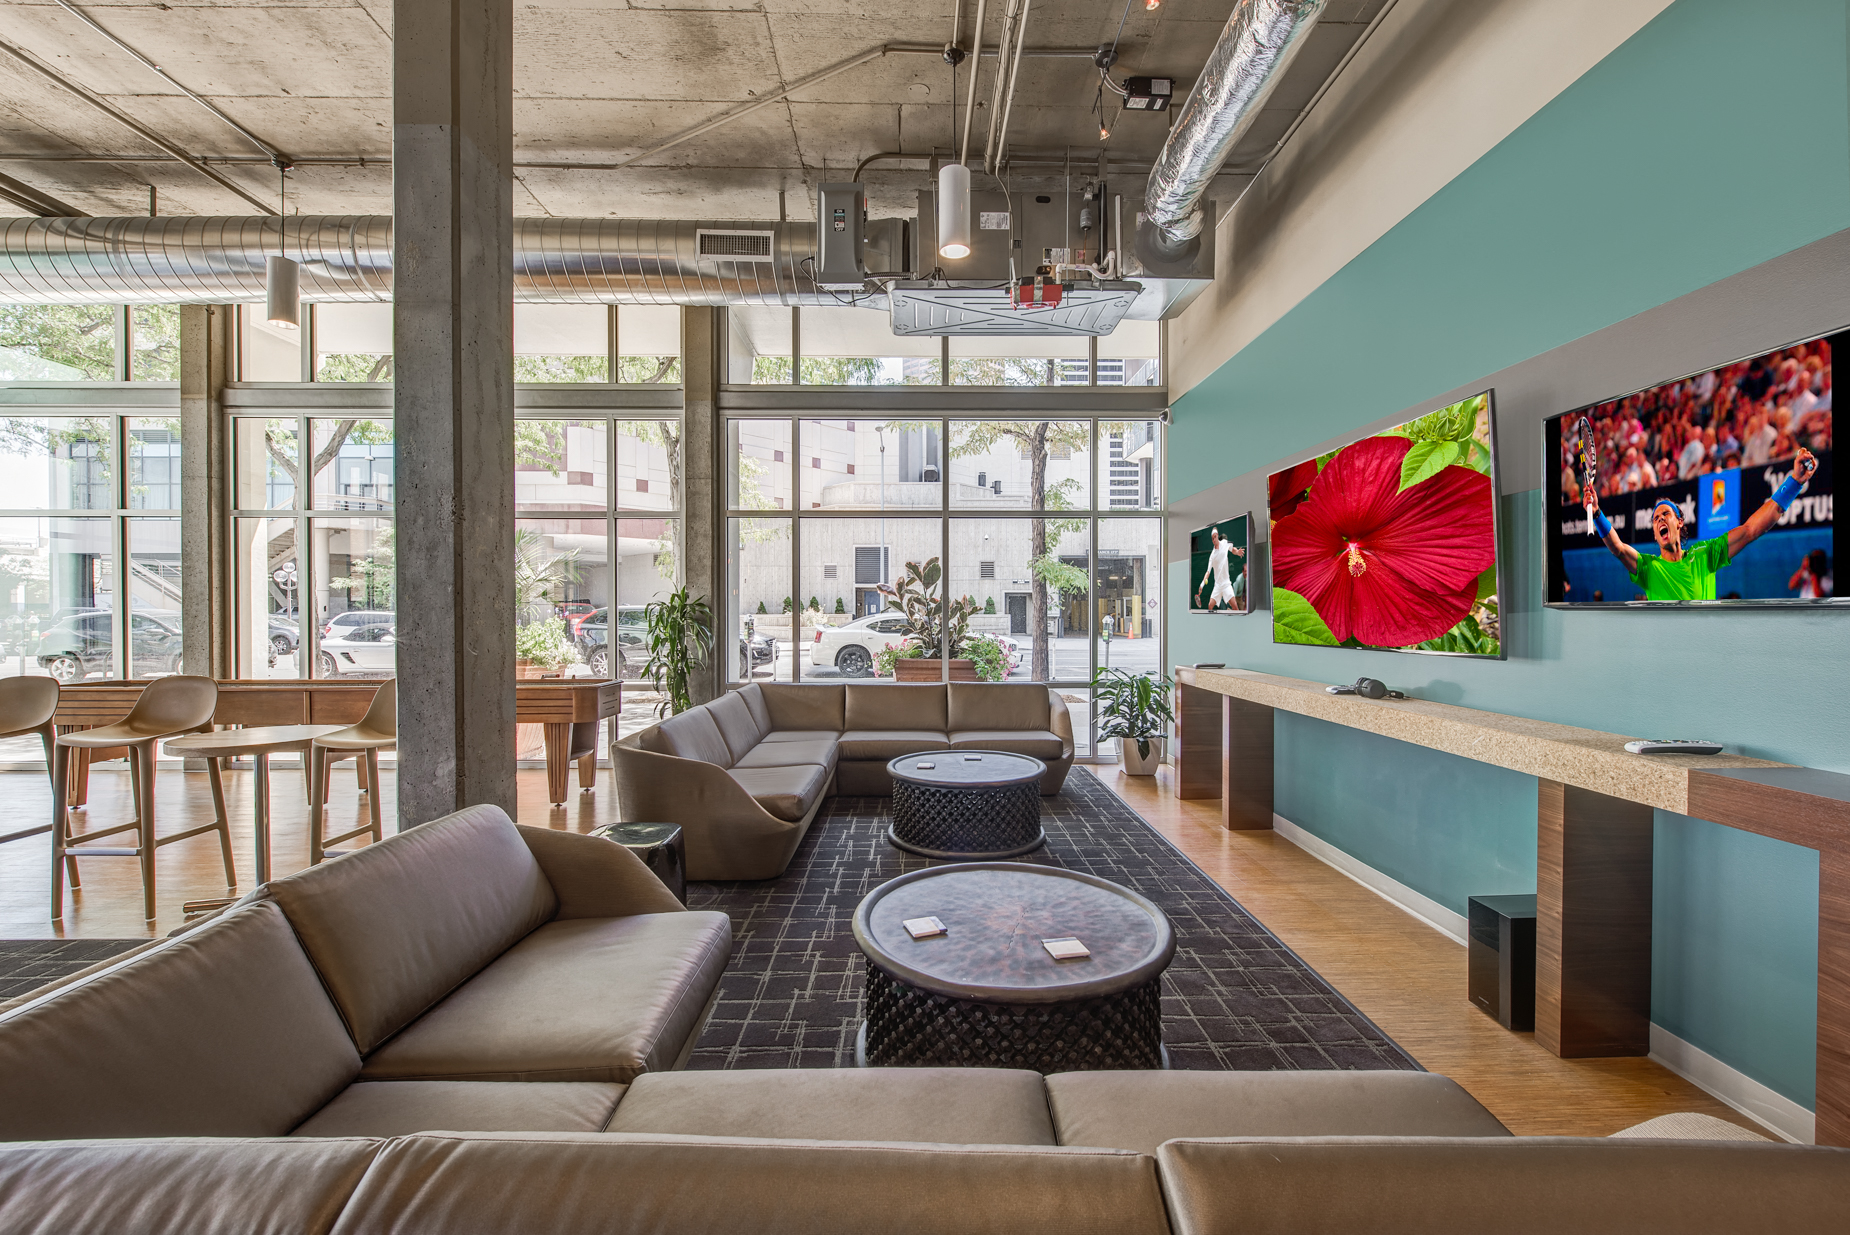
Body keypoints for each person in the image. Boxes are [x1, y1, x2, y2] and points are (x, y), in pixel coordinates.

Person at [1584, 448, 1818, 600]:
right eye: (1655, 519)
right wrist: (1596, 513)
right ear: (1655, 535)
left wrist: (1795, 482)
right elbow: (1618, 548)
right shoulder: (1648, 567)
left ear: (1679, 522)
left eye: (1665, 514)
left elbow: (1750, 530)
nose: (1660, 520)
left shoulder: (1705, 554)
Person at [1195, 526, 1246, 612]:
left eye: (1215, 537)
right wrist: (1202, 585)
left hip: (1226, 584)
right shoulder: (1212, 556)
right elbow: (1208, 572)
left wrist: (1237, 552)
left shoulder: (1225, 543)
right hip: (1217, 586)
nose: (1214, 539)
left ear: (1217, 536)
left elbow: (1232, 549)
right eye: (1212, 538)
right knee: (1210, 606)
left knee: (1235, 607)